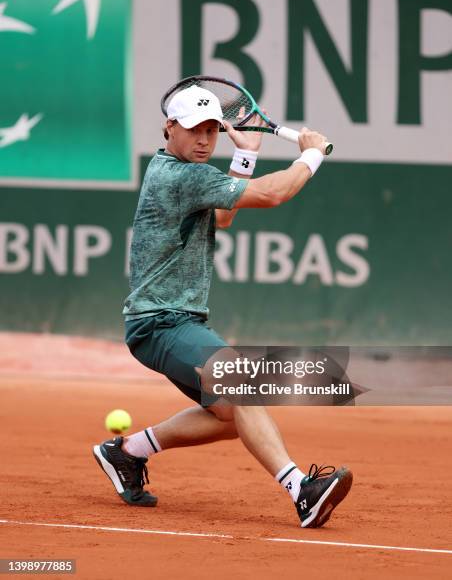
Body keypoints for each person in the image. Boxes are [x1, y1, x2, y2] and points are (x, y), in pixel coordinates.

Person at [93, 85, 352, 528]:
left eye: (213, 130)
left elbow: (225, 217)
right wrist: (310, 156)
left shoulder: (187, 174)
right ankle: (301, 491)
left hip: (178, 320)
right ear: (169, 128)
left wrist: (245, 156)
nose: (204, 140)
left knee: (232, 416)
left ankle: (128, 451)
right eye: (194, 130)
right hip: (159, 322)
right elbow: (271, 195)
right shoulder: (179, 176)